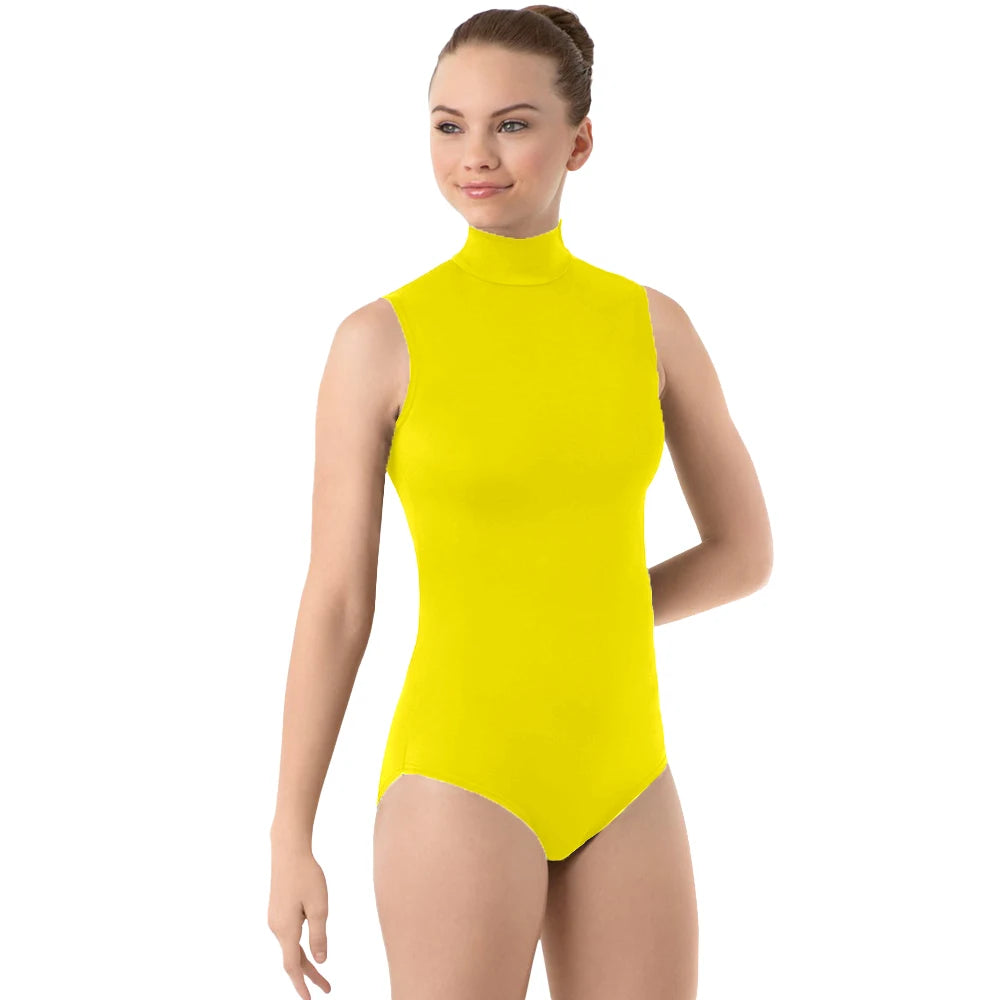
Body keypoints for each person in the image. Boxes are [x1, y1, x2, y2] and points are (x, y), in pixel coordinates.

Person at [267, 7, 772, 999]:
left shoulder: (651, 326)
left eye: (512, 124)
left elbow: (742, 552)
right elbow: (337, 603)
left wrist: (585, 608)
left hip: (628, 776)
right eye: (448, 124)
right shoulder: (379, 341)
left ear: (578, 141)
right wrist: (291, 832)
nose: (476, 155)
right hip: (460, 773)